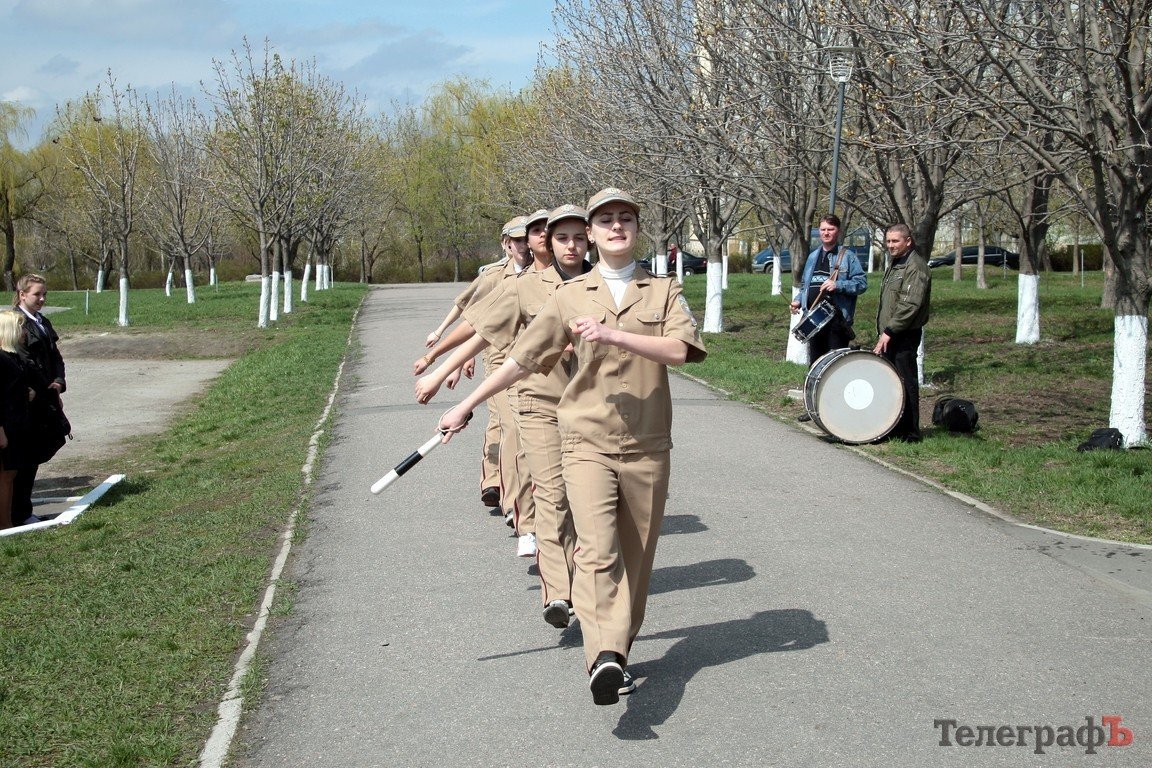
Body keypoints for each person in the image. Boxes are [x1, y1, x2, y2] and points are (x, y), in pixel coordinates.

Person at [437, 188, 707, 706]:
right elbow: (520, 358)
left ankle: (617, 648)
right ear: (592, 233)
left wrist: (616, 337)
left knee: (638, 558)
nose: (616, 226)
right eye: (605, 220)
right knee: (599, 549)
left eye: (626, 218)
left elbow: (681, 350)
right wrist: (465, 403)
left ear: (636, 228)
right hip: (584, 440)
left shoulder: (663, 290)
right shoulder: (570, 295)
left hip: (648, 445)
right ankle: (603, 655)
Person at [417, 204, 592, 628]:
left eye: (578, 236)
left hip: (592, 408)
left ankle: (586, 580)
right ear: (545, 241)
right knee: (552, 495)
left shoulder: (604, 283)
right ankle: (559, 591)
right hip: (538, 399)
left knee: (587, 503)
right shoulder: (523, 285)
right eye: (556, 235)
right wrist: (440, 366)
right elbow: (481, 329)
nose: (569, 245)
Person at [12, 274, 66, 526]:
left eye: (45, 294)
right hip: (30, 397)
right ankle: (19, 512)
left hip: (46, 393)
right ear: (22, 294)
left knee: (38, 452)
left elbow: (55, 356)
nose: (42, 299)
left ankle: (23, 510)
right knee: (25, 457)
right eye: (37, 294)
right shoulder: (16, 322)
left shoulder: (42, 321)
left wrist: (58, 381)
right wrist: (43, 388)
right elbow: (23, 361)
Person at [873, 223, 931, 443]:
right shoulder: (896, 263)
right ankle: (893, 427)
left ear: (908, 241)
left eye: (895, 241)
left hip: (903, 334)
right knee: (890, 381)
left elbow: (910, 305)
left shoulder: (915, 266)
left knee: (905, 381)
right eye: (888, 241)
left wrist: (889, 331)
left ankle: (911, 432)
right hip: (890, 333)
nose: (890, 245)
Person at [791, 214, 868, 365]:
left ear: (838, 232)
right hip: (814, 320)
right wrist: (798, 301)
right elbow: (805, 286)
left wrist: (837, 285)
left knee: (834, 366)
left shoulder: (848, 256)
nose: (826, 233)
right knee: (816, 365)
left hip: (836, 321)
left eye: (830, 229)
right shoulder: (813, 256)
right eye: (823, 229)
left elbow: (862, 283)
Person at [0, 311, 38, 530]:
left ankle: (8, 520)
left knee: (10, 474)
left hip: (17, 423)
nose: (24, 332)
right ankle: (4, 524)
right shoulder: (1, 358)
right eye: (21, 327)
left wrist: (26, 392)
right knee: (5, 476)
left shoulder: (13, 356)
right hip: (6, 426)